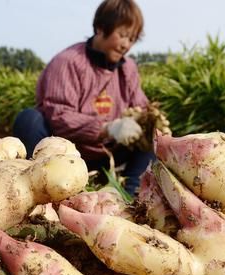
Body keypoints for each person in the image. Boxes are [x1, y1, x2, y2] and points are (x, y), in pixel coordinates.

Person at [12, 0, 154, 196]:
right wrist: (107, 128)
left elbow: (141, 106)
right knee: (29, 119)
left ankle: (132, 194)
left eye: (131, 39)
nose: (125, 45)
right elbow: (59, 116)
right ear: (100, 28)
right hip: (67, 155)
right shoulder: (68, 62)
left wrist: (151, 122)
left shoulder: (128, 68)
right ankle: (41, 187)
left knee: (153, 136)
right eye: (121, 35)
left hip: (108, 156)